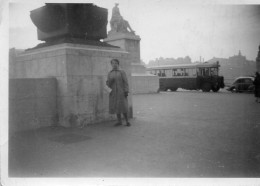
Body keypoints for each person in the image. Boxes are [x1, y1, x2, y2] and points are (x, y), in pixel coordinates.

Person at [106, 59, 131, 126]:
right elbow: (107, 84)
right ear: (111, 64)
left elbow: (126, 82)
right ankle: (119, 121)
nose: (114, 65)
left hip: (121, 92)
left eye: (116, 63)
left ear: (118, 64)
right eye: (113, 63)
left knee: (123, 107)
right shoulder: (110, 73)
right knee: (117, 107)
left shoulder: (122, 72)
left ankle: (127, 121)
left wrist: (126, 91)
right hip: (113, 93)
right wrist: (110, 81)